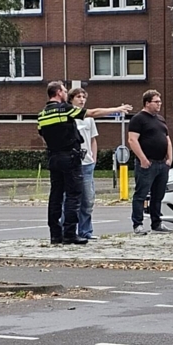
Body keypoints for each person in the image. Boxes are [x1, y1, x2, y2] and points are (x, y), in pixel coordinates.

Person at [38, 81, 131, 245]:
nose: (66, 94)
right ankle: (70, 234)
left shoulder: (42, 114)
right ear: (59, 92)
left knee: (56, 197)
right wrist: (117, 109)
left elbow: (42, 135)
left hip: (53, 157)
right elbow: (92, 113)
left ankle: (55, 235)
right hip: (70, 157)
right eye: (65, 91)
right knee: (73, 196)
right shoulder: (65, 109)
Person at [127, 89, 173, 235]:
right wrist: (143, 159)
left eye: (160, 101)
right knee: (141, 194)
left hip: (162, 163)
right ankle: (138, 224)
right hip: (147, 163)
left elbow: (167, 139)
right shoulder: (138, 119)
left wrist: (170, 158)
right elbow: (132, 140)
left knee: (158, 195)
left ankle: (157, 222)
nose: (159, 104)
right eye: (156, 102)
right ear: (147, 103)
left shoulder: (160, 119)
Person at [60, 88, 99, 240]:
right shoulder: (68, 116)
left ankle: (86, 231)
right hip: (72, 162)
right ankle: (68, 230)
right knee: (70, 198)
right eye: (78, 97)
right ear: (71, 99)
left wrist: (94, 157)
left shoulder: (89, 118)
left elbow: (93, 139)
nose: (82, 100)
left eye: (84, 97)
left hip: (87, 163)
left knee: (88, 199)